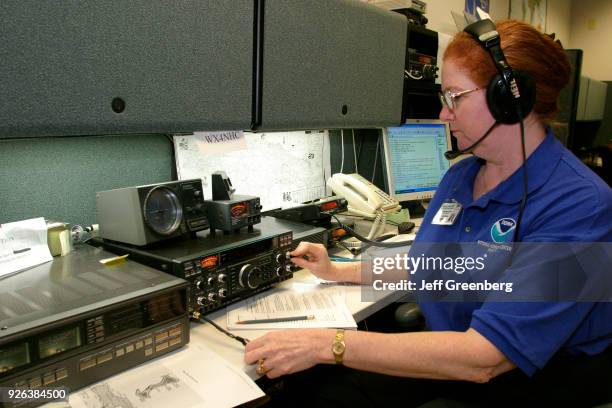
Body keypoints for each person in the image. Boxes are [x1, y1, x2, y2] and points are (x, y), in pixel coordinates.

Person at [244, 19, 612, 407]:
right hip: (452, 361)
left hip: (529, 380)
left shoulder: (581, 206)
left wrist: (331, 343)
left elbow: (486, 358)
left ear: (511, 99)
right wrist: (340, 272)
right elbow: (433, 262)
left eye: (455, 96)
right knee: (318, 388)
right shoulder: (463, 175)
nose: (443, 114)